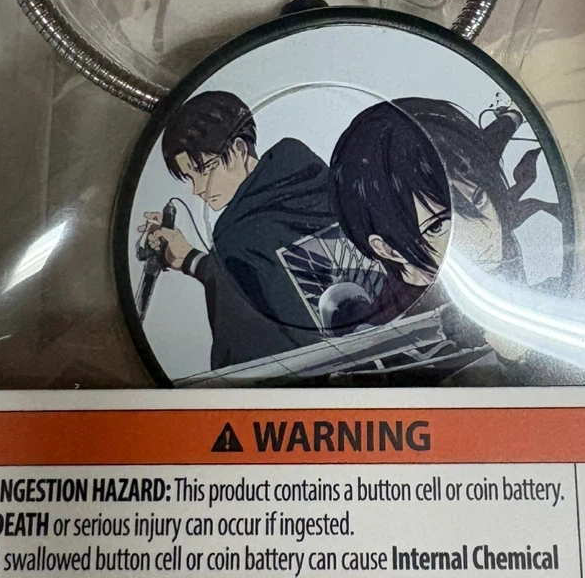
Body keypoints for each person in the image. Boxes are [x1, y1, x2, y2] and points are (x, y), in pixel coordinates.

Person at [142, 91, 336, 369]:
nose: (198, 190)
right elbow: (270, 280)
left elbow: (247, 354)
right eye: (189, 178)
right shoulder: (317, 183)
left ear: (238, 150)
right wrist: (191, 260)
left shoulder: (237, 237)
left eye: (203, 170)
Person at [329, 97, 559, 293]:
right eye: (437, 226)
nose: (484, 235)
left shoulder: (467, 175)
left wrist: (515, 113)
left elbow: (489, 146)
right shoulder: (415, 315)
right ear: (388, 249)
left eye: (478, 199)